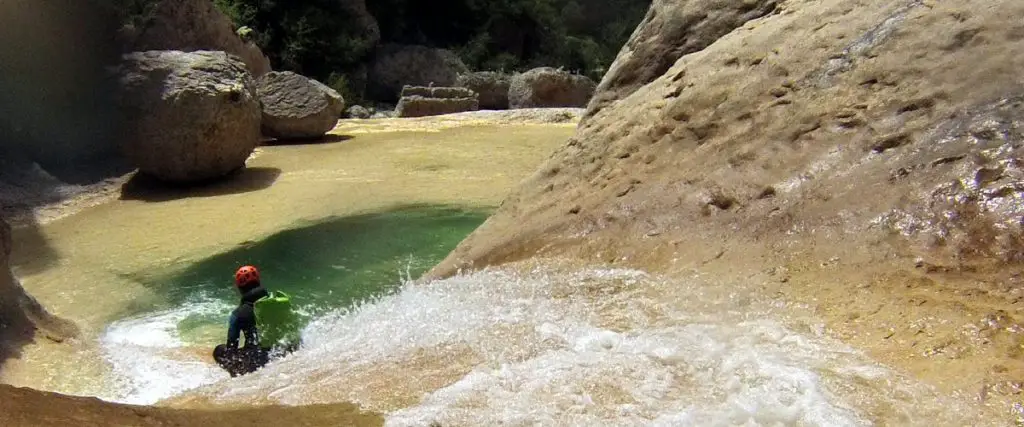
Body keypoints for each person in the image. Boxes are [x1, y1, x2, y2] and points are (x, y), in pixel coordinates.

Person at [213, 265, 302, 377]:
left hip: (258, 360)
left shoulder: (238, 314)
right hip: (287, 349)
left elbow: (232, 348)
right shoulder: (278, 301)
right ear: (258, 281)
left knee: (219, 351)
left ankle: (237, 376)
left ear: (240, 288)